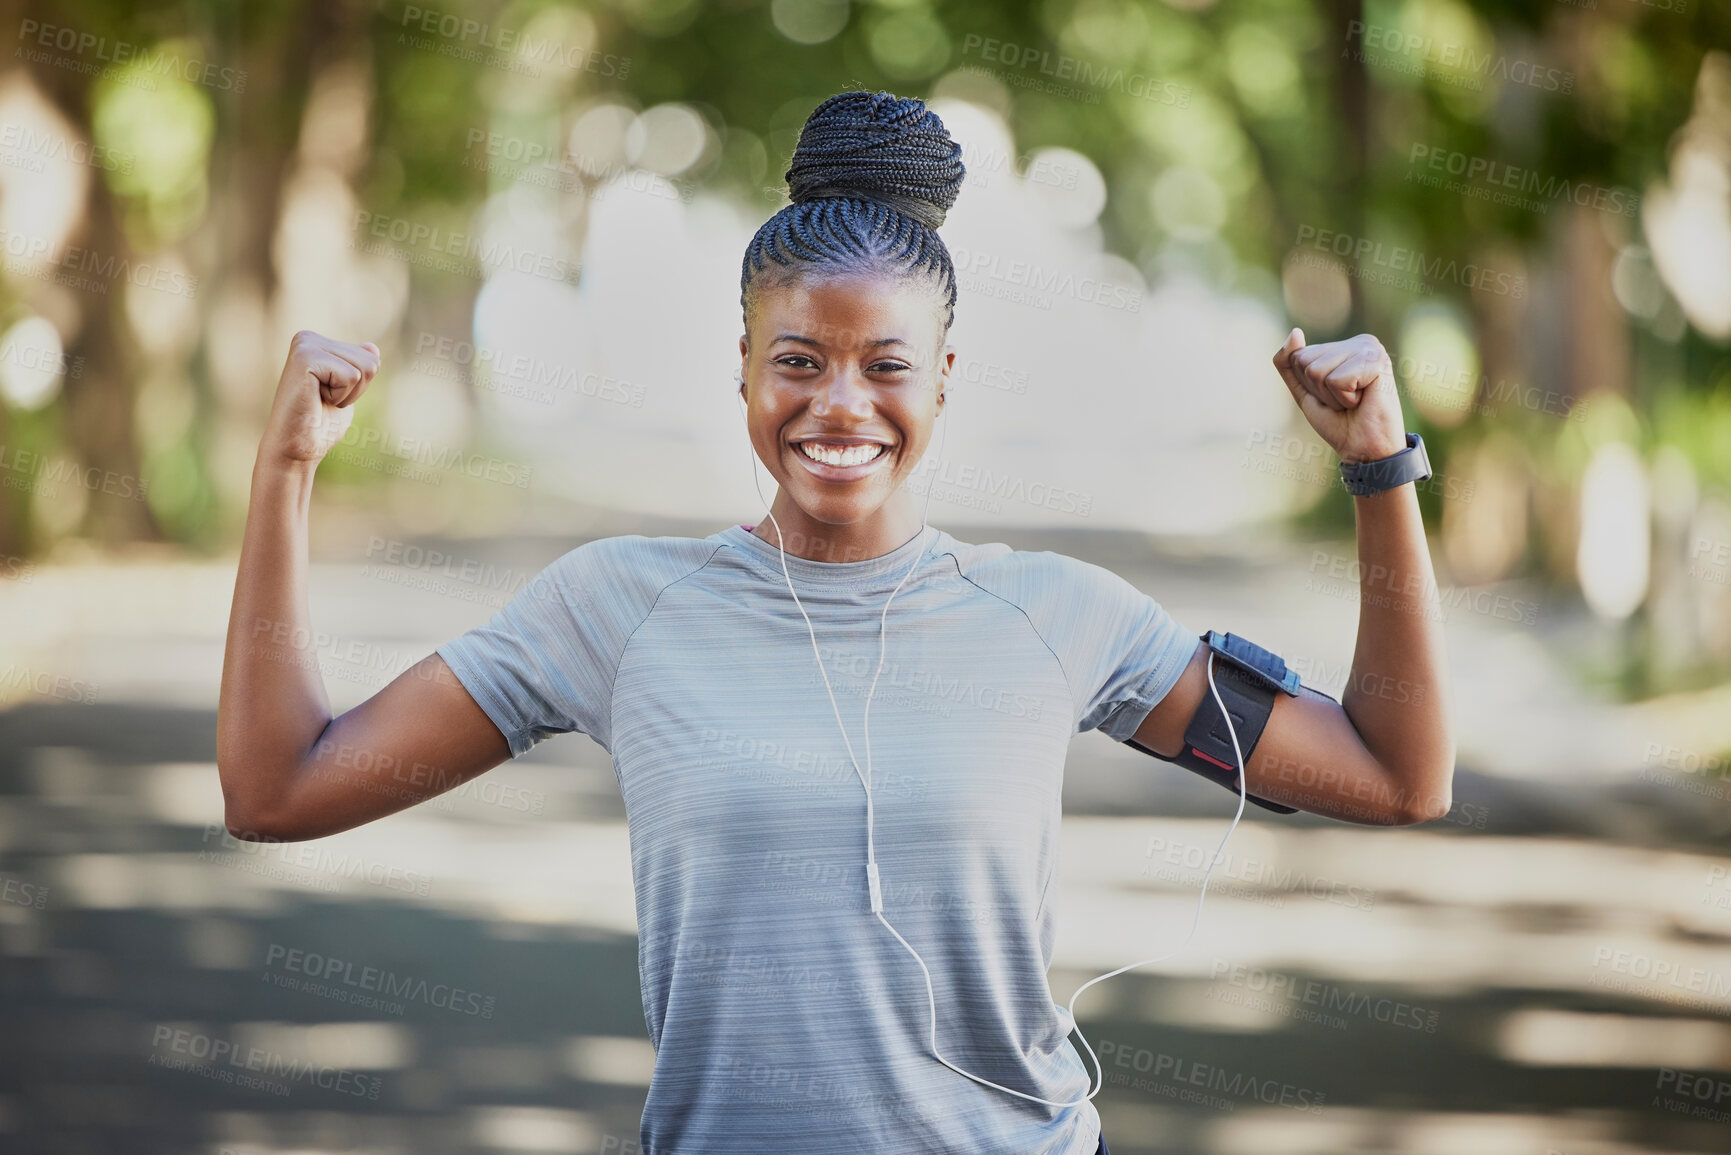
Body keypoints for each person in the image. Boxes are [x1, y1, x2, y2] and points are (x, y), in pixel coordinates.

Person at [218, 90, 1455, 1155]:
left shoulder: (1056, 617)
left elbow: (1395, 778)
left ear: (949, 374)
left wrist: (1380, 469)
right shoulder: (616, 607)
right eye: (798, 360)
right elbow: (278, 789)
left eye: (888, 365)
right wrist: (283, 478)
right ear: (743, 367)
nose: (839, 404)